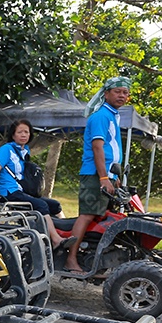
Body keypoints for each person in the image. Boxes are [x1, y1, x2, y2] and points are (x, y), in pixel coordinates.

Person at [64, 76, 130, 273]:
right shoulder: (101, 116)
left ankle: (93, 259)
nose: (122, 95)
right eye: (117, 91)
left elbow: (111, 150)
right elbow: (97, 147)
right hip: (94, 174)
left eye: (125, 92)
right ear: (106, 93)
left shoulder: (112, 116)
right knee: (87, 215)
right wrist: (103, 177)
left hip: (105, 174)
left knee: (100, 216)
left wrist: (113, 176)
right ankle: (70, 259)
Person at [0, 119, 65, 247]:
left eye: (26, 132)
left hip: (21, 191)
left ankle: (64, 235)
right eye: (20, 132)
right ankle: (55, 239)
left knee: (55, 205)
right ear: (13, 135)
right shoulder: (6, 149)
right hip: (9, 191)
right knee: (41, 205)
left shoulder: (25, 151)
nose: (24, 135)